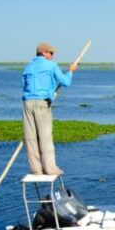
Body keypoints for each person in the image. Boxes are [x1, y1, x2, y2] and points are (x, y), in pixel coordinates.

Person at [21, 42, 78, 175]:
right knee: (45, 137)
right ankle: (50, 169)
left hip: (27, 103)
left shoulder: (28, 67)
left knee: (30, 138)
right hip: (42, 103)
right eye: (51, 53)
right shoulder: (51, 65)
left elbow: (23, 86)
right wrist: (71, 71)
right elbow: (65, 82)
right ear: (44, 53)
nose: (52, 56)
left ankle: (36, 170)